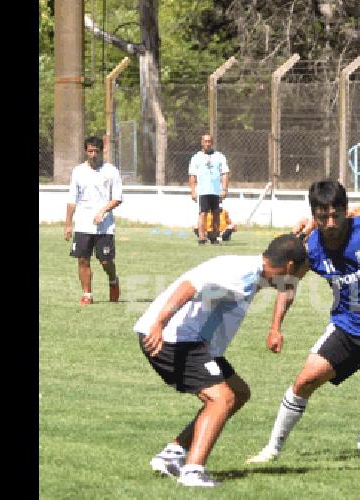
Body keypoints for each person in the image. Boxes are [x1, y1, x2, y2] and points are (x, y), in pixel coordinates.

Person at [247, 180, 360, 464]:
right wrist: (275, 327)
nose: (331, 222)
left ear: (346, 211)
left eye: (336, 214)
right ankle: (271, 449)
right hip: (348, 329)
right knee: (304, 381)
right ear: (314, 214)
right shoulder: (311, 249)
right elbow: (289, 284)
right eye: (323, 216)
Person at [135, 234, 308, 487]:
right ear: (290, 266)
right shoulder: (241, 274)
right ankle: (193, 472)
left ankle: (172, 454)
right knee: (221, 399)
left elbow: (286, 287)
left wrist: (274, 327)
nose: (294, 283)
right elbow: (189, 286)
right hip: (174, 339)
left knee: (238, 393)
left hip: (196, 343)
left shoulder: (258, 272)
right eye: (297, 275)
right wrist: (159, 323)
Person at [65, 135, 124, 305]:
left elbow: (117, 198)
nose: (93, 155)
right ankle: (87, 294)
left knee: (105, 261)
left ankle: (113, 280)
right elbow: (71, 200)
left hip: (104, 226)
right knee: (83, 259)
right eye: (90, 151)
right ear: (85, 151)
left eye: (96, 151)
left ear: (102, 151)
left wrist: (103, 212)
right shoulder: (78, 171)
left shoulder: (111, 171)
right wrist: (68, 224)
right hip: (83, 224)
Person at [188, 133, 230, 245]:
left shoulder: (219, 156)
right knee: (203, 213)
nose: (207, 144)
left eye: (209, 141)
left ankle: (214, 237)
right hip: (203, 191)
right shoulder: (196, 157)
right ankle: (202, 237)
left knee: (216, 214)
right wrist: (193, 191)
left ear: (212, 143)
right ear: (202, 143)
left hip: (216, 191)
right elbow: (192, 175)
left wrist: (224, 189)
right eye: (205, 141)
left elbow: (224, 173)